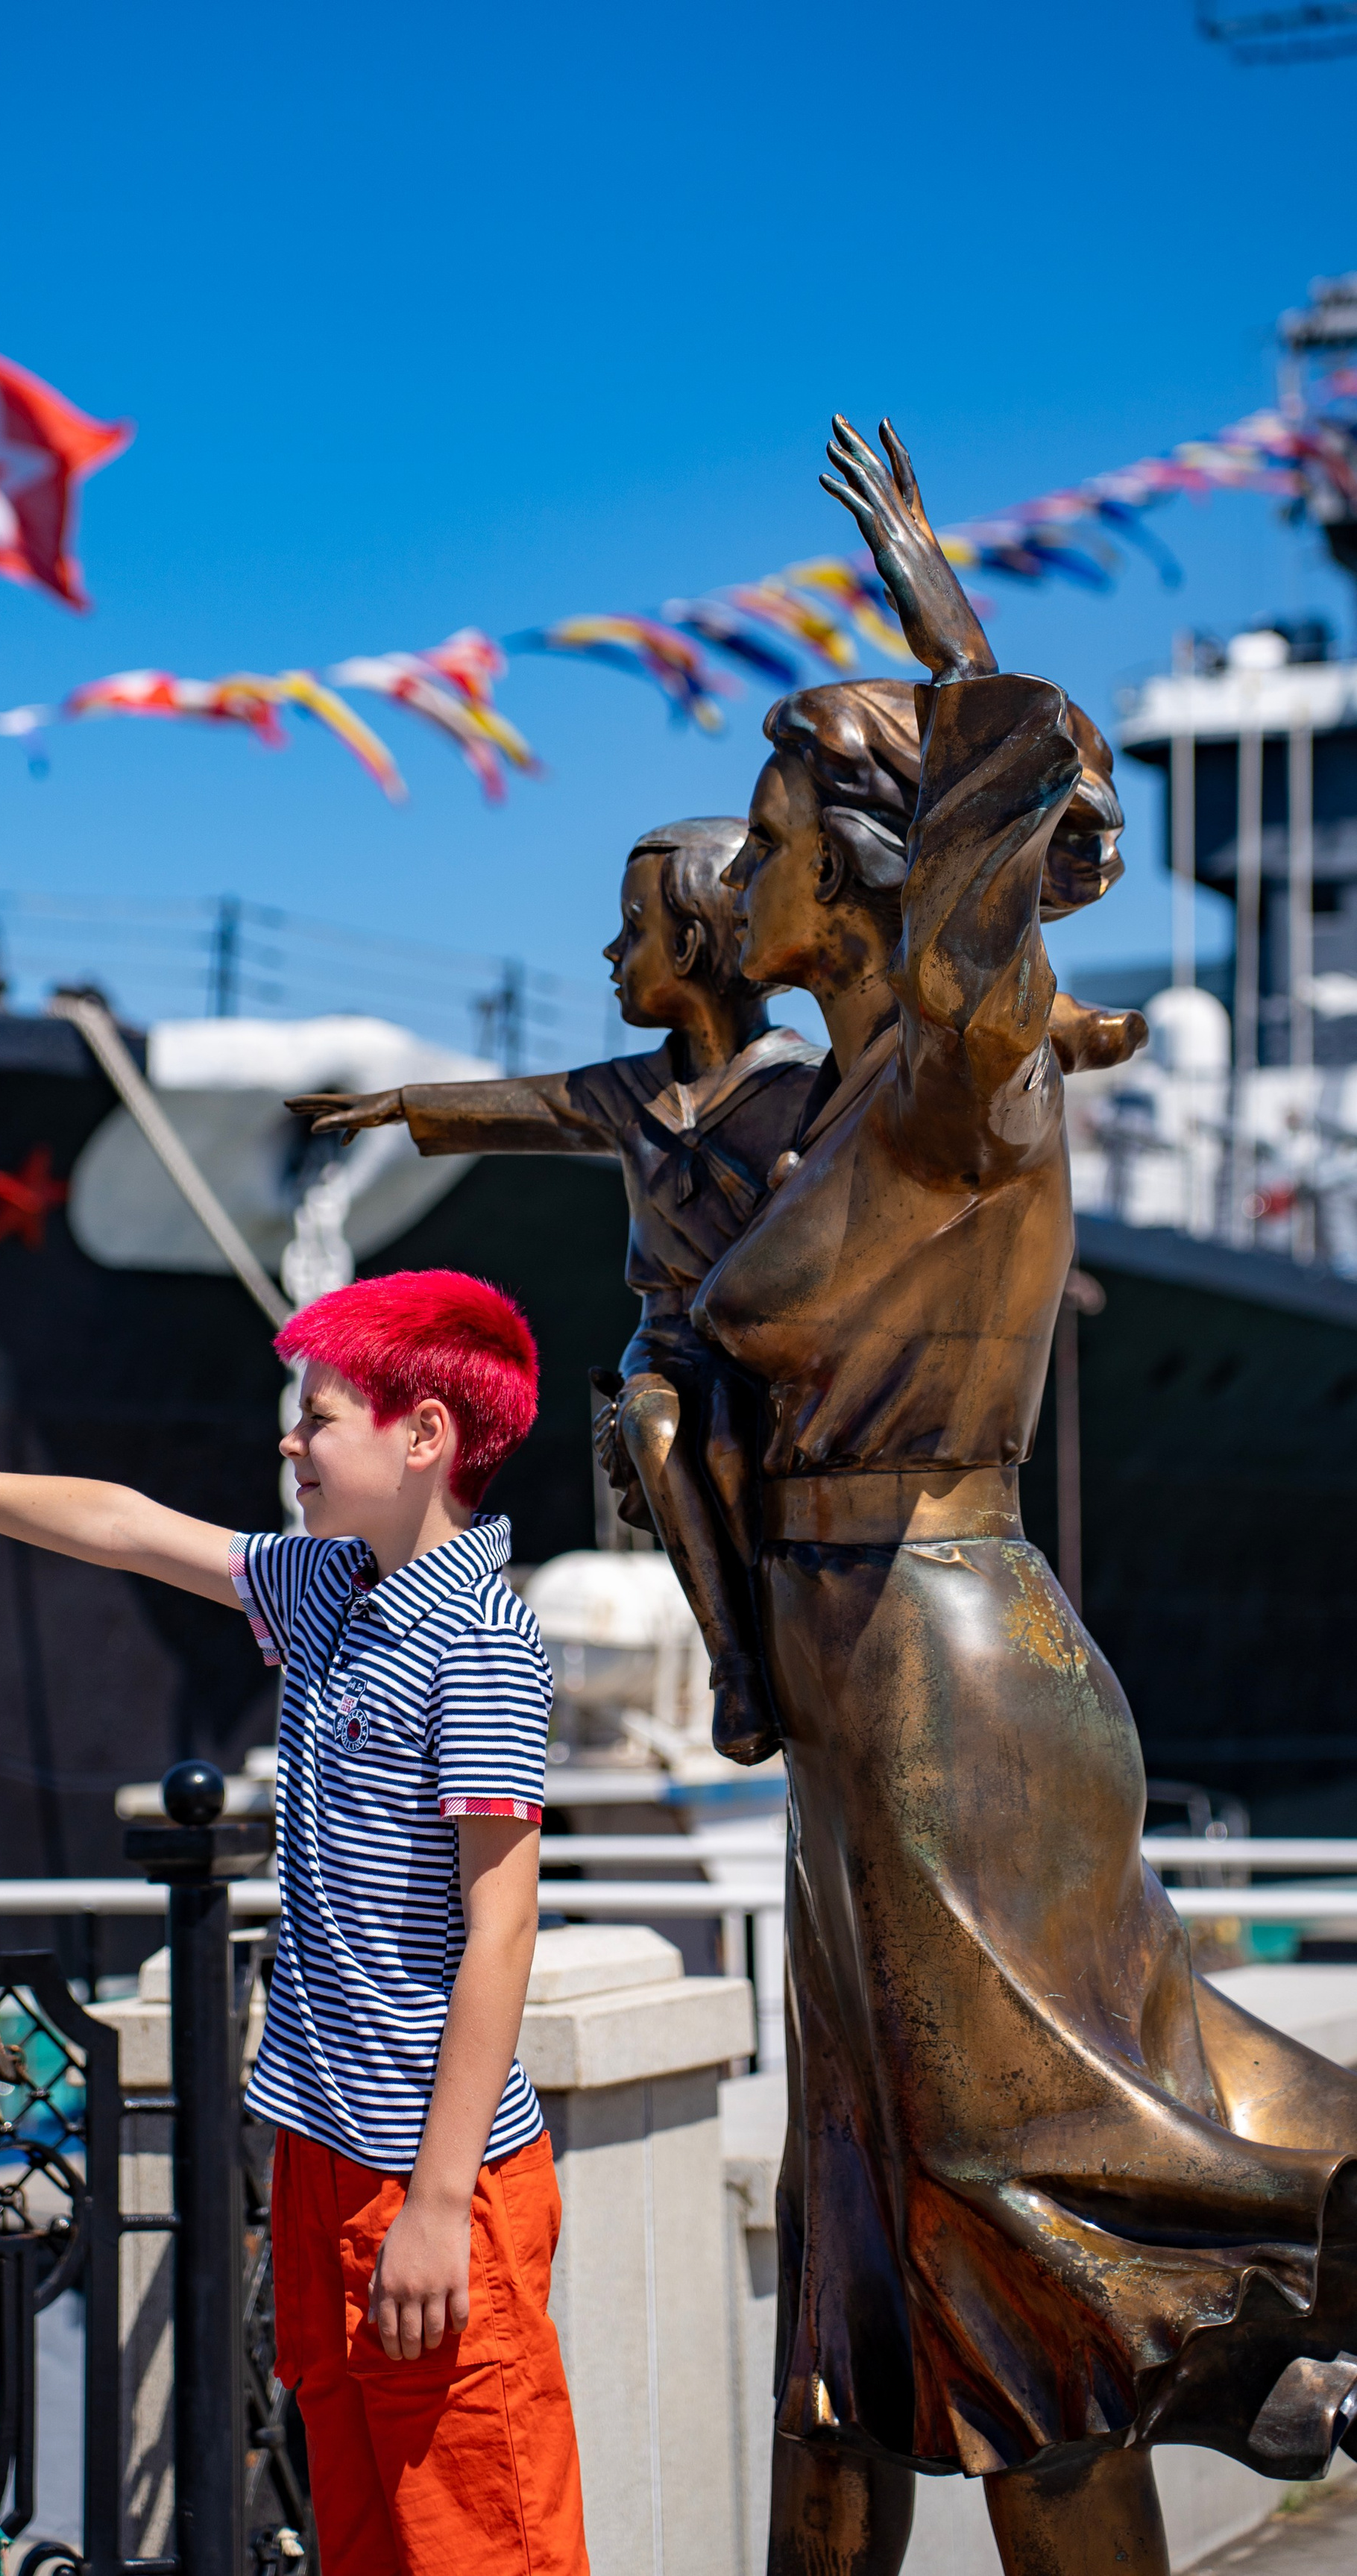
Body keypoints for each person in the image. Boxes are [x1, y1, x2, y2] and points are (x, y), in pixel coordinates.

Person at [692, 418, 1357, 2576]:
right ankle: (1232, 2346)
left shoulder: (966, 1068)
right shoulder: (808, 1111)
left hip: (950, 1673)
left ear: (876, 865)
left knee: (1010, 2205)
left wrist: (934, 611)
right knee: (869, 2243)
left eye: (779, 830)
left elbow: (998, 814)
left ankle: (1259, 2321)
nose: (738, 870)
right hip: (841, 1698)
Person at [0, 1266, 590, 2576]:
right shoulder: (326, 1590)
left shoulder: (477, 1639)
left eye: (320, 1415)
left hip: (435, 2171)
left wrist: (433, 2198)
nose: (290, 1440)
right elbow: (129, 1527)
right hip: (322, 2150)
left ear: (424, 1435)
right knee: (361, 2527)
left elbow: (504, 1925)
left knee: (483, 2535)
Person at [289, 820, 824, 1761]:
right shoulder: (632, 1094)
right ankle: (734, 1659)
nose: (612, 955)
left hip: (768, 1346)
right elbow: (532, 1104)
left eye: (632, 931)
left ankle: (779, 1624)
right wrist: (402, 1105)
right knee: (658, 1425)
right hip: (666, 1342)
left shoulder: (810, 1090)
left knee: (742, 1440)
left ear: (693, 948)